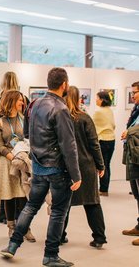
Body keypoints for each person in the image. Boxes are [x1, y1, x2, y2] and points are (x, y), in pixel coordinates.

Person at [1, 67, 82, 267]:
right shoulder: (61, 109)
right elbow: (68, 145)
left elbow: (27, 134)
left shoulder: (34, 104)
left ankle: (12, 245)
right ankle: (50, 255)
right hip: (57, 169)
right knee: (57, 212)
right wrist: (76, 175)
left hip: (37, 166)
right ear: (64, 84)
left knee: (30, 206)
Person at [61, 86, 107, 248]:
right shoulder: (85, 118)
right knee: (92, 202)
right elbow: (94, 144)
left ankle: (59, 235)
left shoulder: (61, 118)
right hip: (86, 166)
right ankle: (99, 237)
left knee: (63, 203)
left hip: (66, 166)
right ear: (78, 98)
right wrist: (100, 165)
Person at [0, 90, 36, 242]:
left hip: (23, 161)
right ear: (10, 101)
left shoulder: (25, 119)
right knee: (9, 196)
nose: (22, 103)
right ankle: (11, 227)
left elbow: (30, 138)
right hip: (8, 161)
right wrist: (12, 156)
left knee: (24, 195)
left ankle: (24, 228)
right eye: (19, 100)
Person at [0, 71, 30, 224]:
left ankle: (18, 223)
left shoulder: (0, 100)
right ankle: (12, 223)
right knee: (8, 191)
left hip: (21, 155)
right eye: (19, 101)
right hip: (8, 154)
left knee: (22, 190)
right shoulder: (0, 122)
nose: (22, 103)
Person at [121, 81, 139, 245]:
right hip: (134, 156)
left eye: (135, 92)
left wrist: (129, 131)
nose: (132, 95)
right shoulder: (136, 110)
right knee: (137, 193)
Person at [92, 91, 115, 196]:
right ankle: (104, 188)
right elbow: (113, 125)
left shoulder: (98, 112)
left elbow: (91, 127)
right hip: (111, 140)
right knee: (107, 164)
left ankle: (103, 190)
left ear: (102, 100)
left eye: (97, 98)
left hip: (102, 141)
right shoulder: (110, 111)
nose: (96, 100)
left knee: (102, 165)